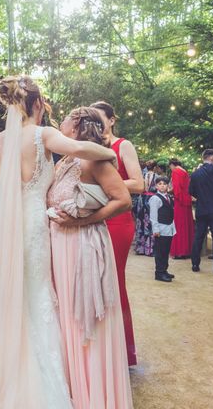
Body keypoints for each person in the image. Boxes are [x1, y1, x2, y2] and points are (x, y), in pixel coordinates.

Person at [0, 77, 117, 408]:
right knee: (34, 295)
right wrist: (108, 151)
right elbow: (81, 149)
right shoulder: (44, 135)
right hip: (32, 224)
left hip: (0, 224)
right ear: (37, 104)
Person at [47, 106, 133, 408]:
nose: (61, 120)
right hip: (58, 244)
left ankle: (93, 391)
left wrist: (83, 221)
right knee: (64, 312)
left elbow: (123, 200)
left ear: (78, 124)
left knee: (83, 313)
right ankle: (70, 385)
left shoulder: (95, 159)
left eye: (67, 116)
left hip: (83, 243)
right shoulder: (65, 160)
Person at [90, 100, 143, 366]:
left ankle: (122, 351)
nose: (97, 124)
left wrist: (105, 181)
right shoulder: (88, 147)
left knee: (114, 281)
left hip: (118, 220)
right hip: (93, 219)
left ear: (112, 120)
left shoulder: (123, 145)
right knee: (93, 282)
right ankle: (98, 349)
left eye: (101, 119)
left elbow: (139, 183)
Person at [150, 176, 176, 282]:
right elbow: (153, 216)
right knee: (160, 252)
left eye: (164, 184)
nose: (162, 186)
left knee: (166, 251)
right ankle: (159, 273)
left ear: (167, 186)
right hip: (160, 229)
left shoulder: (168, 197)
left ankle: (164, 270)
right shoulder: (155, 199)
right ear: (156, 186)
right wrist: (155, 230)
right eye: (160, 184)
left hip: (168, 228)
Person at [168, 158, 194, 259]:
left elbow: (177, 188)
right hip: (186, 199)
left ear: (172, 165)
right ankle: (187, 250)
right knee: (186, 225)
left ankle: (180, 251)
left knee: (179, 226)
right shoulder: (184, 171)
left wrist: (173, 193)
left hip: (180, 201)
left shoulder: (176, 171)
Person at [134, 160, 158, 256]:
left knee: (141, 222)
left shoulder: (141, 176)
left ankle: (140, 248)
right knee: (151, 222)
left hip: (142, 199)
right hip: (151, 199)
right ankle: (150, 249)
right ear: (155, 167)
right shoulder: (157, 177)